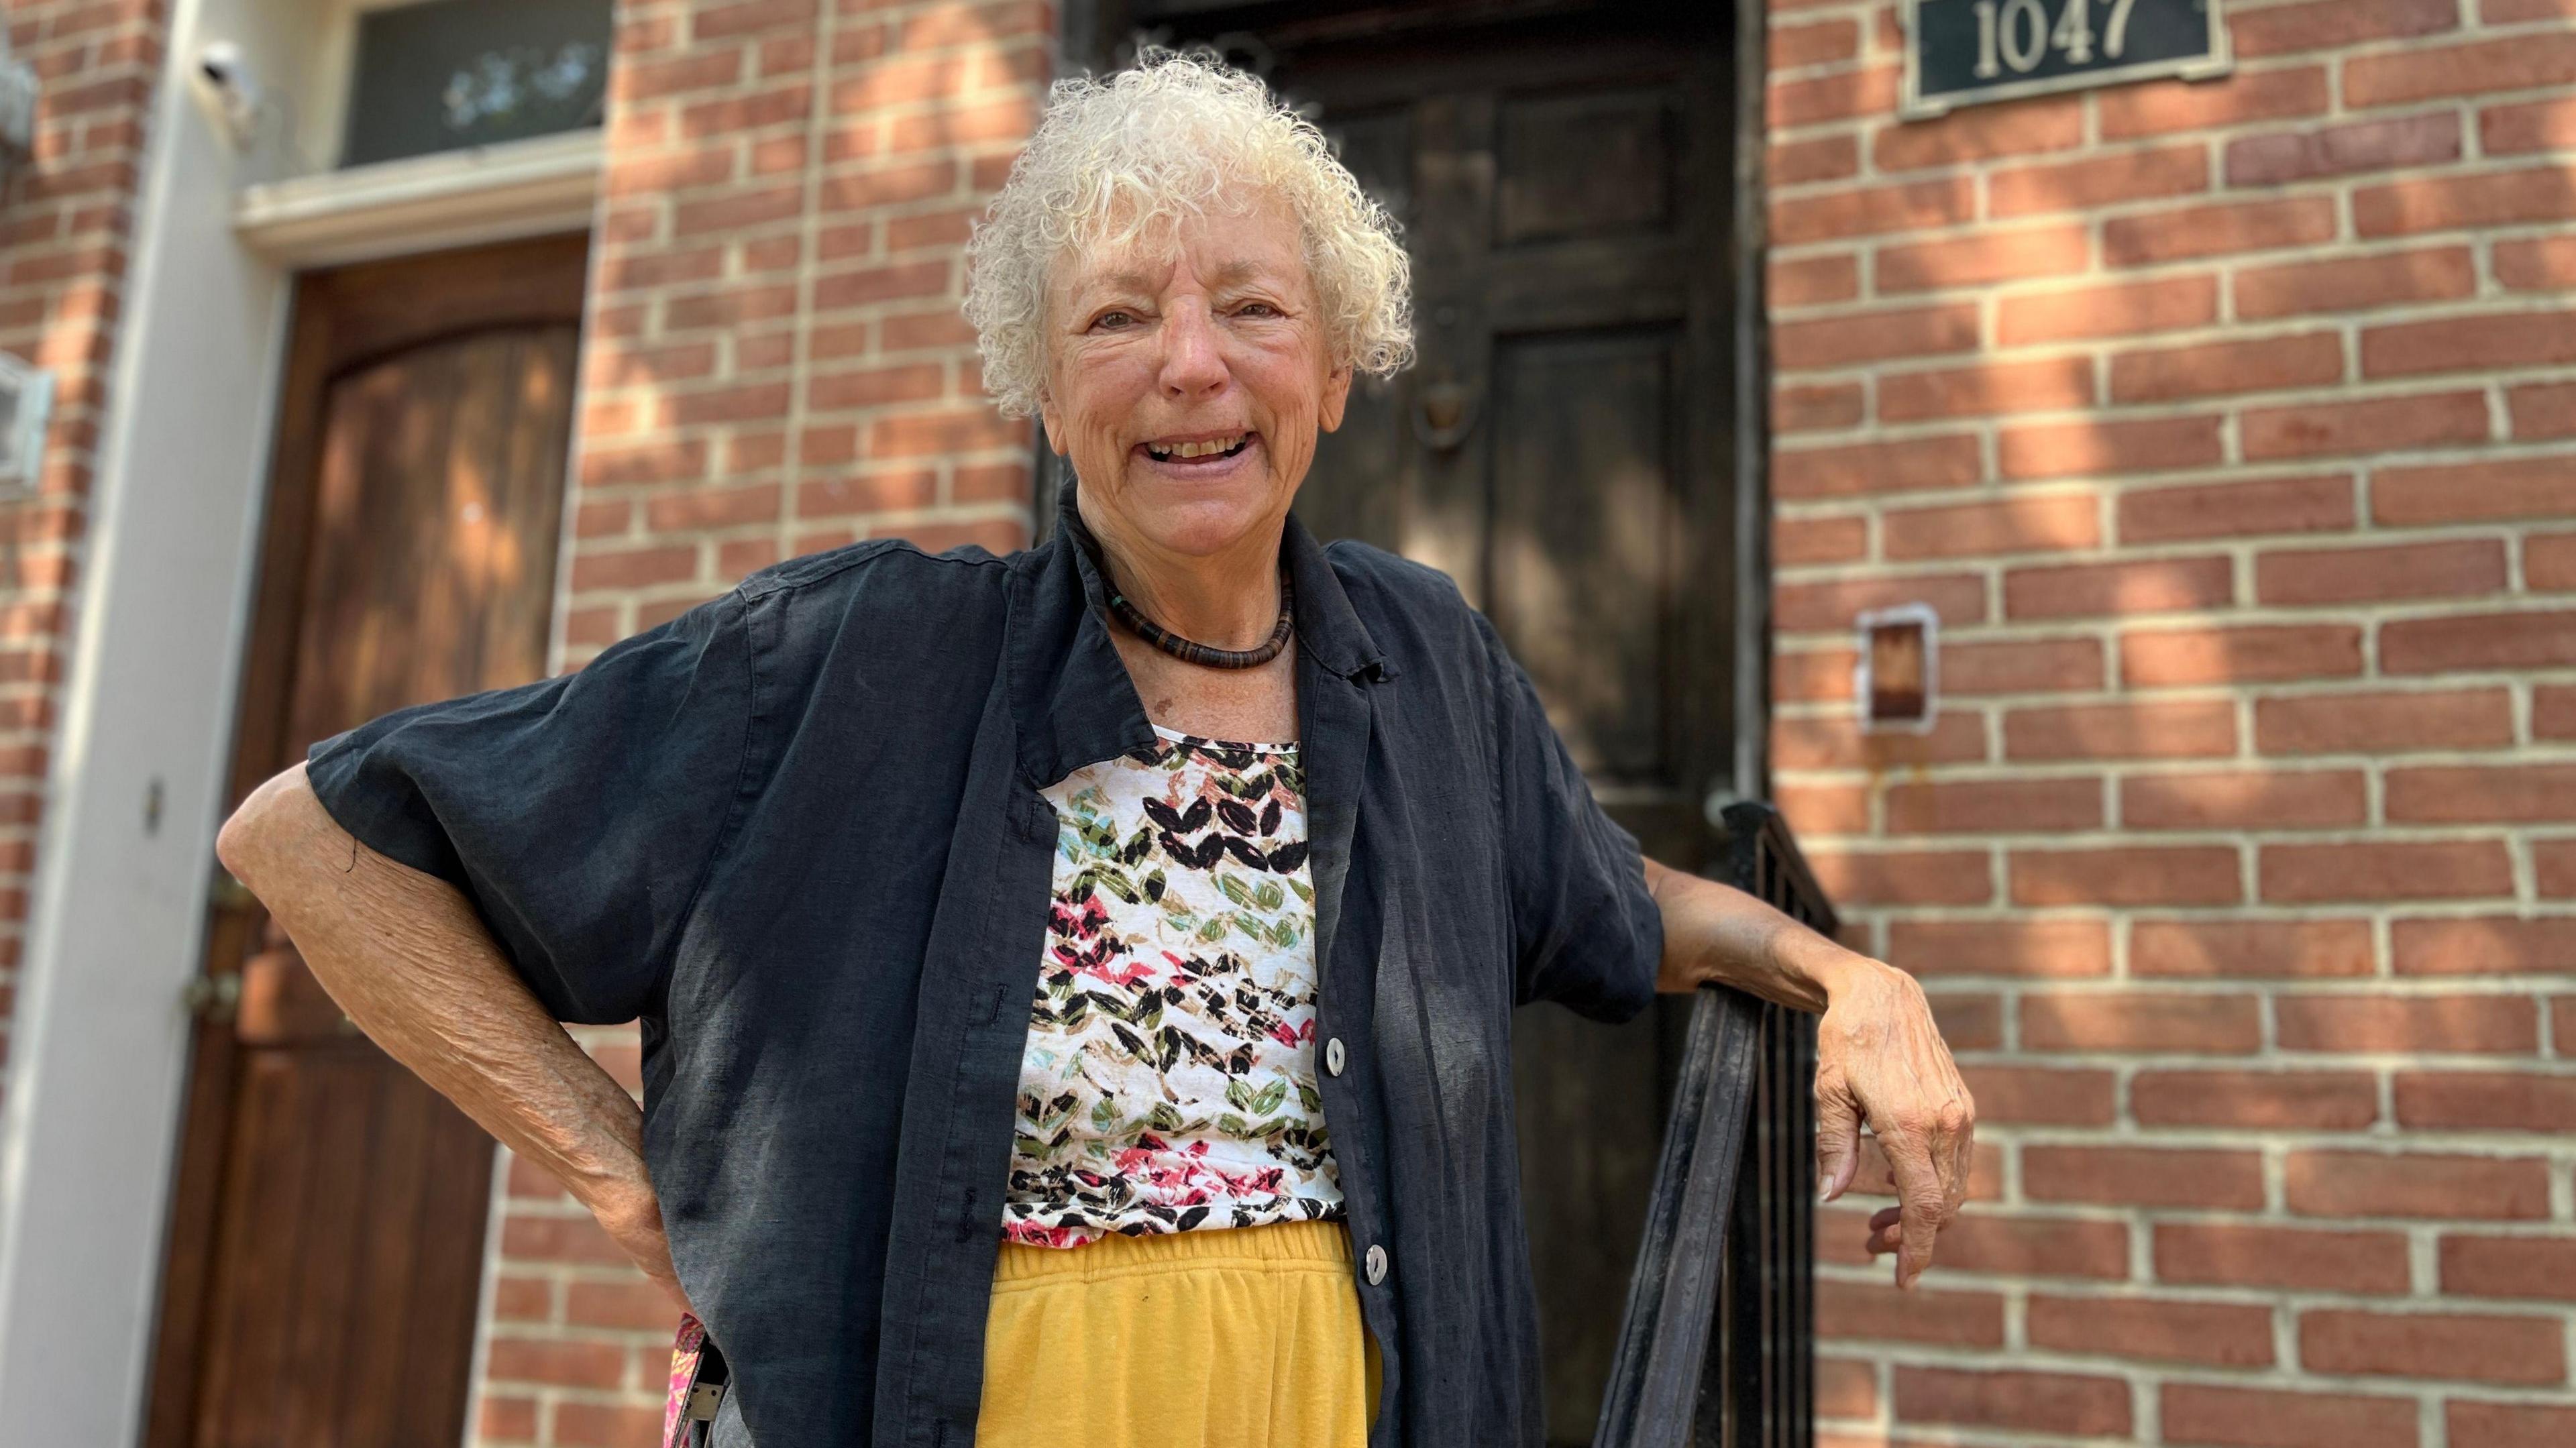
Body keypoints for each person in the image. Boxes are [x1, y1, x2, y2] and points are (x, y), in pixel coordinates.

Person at [217, 47, 1974, 1448]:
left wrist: (1839, 973)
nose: (1190, 367)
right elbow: (315, 841)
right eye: (1118, 316)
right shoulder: (855, 657)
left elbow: (1597, 896)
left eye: (1253, 309)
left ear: (1339, 365)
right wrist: (617, 1175)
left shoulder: (1421, 654)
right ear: (1048, 396)